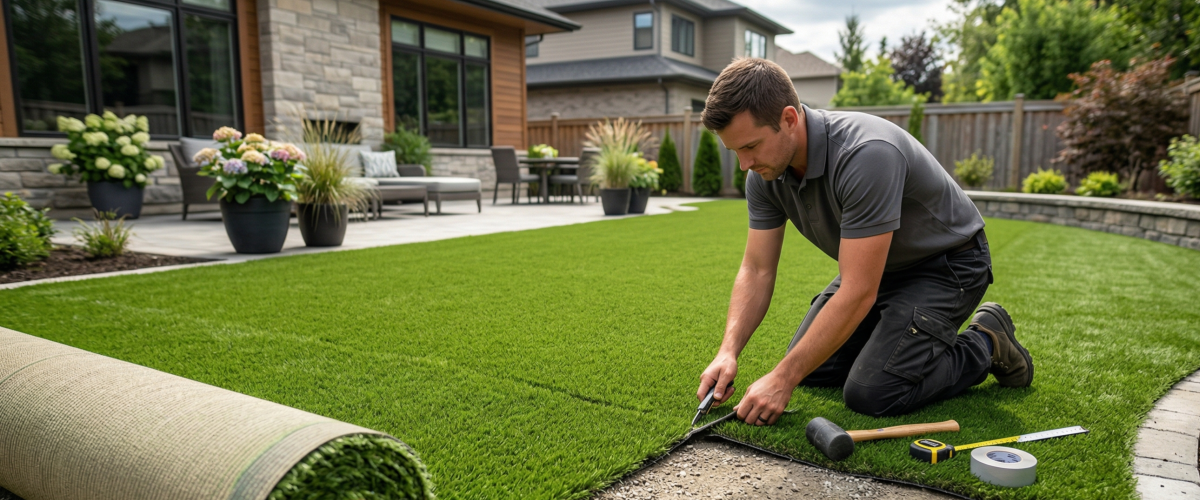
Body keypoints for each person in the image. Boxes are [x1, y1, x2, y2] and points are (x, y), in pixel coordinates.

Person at [695, 58, 1033, 424]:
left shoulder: (866, 154)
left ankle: (986, 340)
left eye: (751, 147)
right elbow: (757, 269)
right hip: (878, 265)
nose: (744, 164)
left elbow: (858, 290)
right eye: (735, 152)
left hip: (947, 265)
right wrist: (727, 352)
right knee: (814, 369)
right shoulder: (764, 176)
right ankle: (898, 339)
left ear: (789, 119)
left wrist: (782, 378)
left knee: (872, 393)